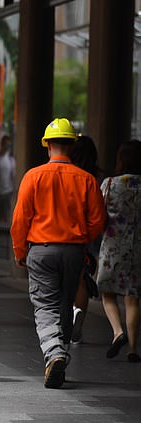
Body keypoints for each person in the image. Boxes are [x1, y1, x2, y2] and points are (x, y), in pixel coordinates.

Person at [11, 118, 106, 388]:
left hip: (41, 250)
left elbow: (20, 220)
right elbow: (98, 220)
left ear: (48, 145)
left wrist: (20, 251)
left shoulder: (33, 176)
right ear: (72, 146)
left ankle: (55, 353)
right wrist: (82, 239)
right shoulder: (87, 179)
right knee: (64, 303)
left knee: (45, 305)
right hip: (75, 250)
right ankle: (60, 353)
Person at [97, 140, 141, 363]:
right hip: (137, 248)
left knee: (107, 292)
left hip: (112, 246)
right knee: (133, 299)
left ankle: (117, 331)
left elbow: (98, 213)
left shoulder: (110, 183)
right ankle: (133, 348)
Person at [69, 135, 102, 343]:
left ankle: (67, 315)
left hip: (65, 233)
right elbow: (99, 216)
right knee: (81, 278)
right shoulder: (95, 179)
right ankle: (78, 313)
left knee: (59, 281)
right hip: (89, 236)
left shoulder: (71, 176)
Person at [0, 134, 15, 222]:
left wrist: (13, 190)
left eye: (8, 144)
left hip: (8, 191)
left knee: (6, 216)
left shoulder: (11, 160)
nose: (7, 146)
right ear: (1, 144)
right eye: (5, 144)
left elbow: (13, 176)